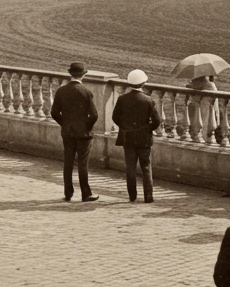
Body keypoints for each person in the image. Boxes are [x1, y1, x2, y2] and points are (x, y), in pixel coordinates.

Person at [51, 61, 100, 202]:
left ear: (70, 74)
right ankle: (86, 193)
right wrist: (87, 126)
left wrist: (65, 124)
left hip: (68, 132)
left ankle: (68, 192)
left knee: (68, 162)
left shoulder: (61, 91)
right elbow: (94, 115)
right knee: (82, 163)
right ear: (83, 75)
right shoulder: (86, 92)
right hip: (83, 133)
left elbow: (54, 112)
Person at [112, 69, 160, 203]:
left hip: (128, 138)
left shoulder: (122, 99)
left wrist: (126, 127)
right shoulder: (148, 100)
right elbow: (157, 121)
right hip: (144, 139)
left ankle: (132, 195)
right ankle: (148, 196)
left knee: (130, 167)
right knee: (146, 167)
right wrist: (146, 129)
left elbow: (115, 117)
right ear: (143, 83)